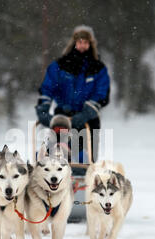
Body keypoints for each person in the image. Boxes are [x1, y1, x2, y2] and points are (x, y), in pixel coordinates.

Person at [35, 25, 110, 162]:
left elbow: (102, 93)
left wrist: (86, 113)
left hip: (87, 116)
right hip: (63, 114)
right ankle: (51, 163)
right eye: (80, 42)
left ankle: (84, 170)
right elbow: (47, 87)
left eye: (85, 42)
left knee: (86, 154)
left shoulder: (98, 68)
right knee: (55, 150)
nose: (82, 45)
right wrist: (43, 107)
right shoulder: (60, 65)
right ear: (74, 43)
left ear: (90, 44)